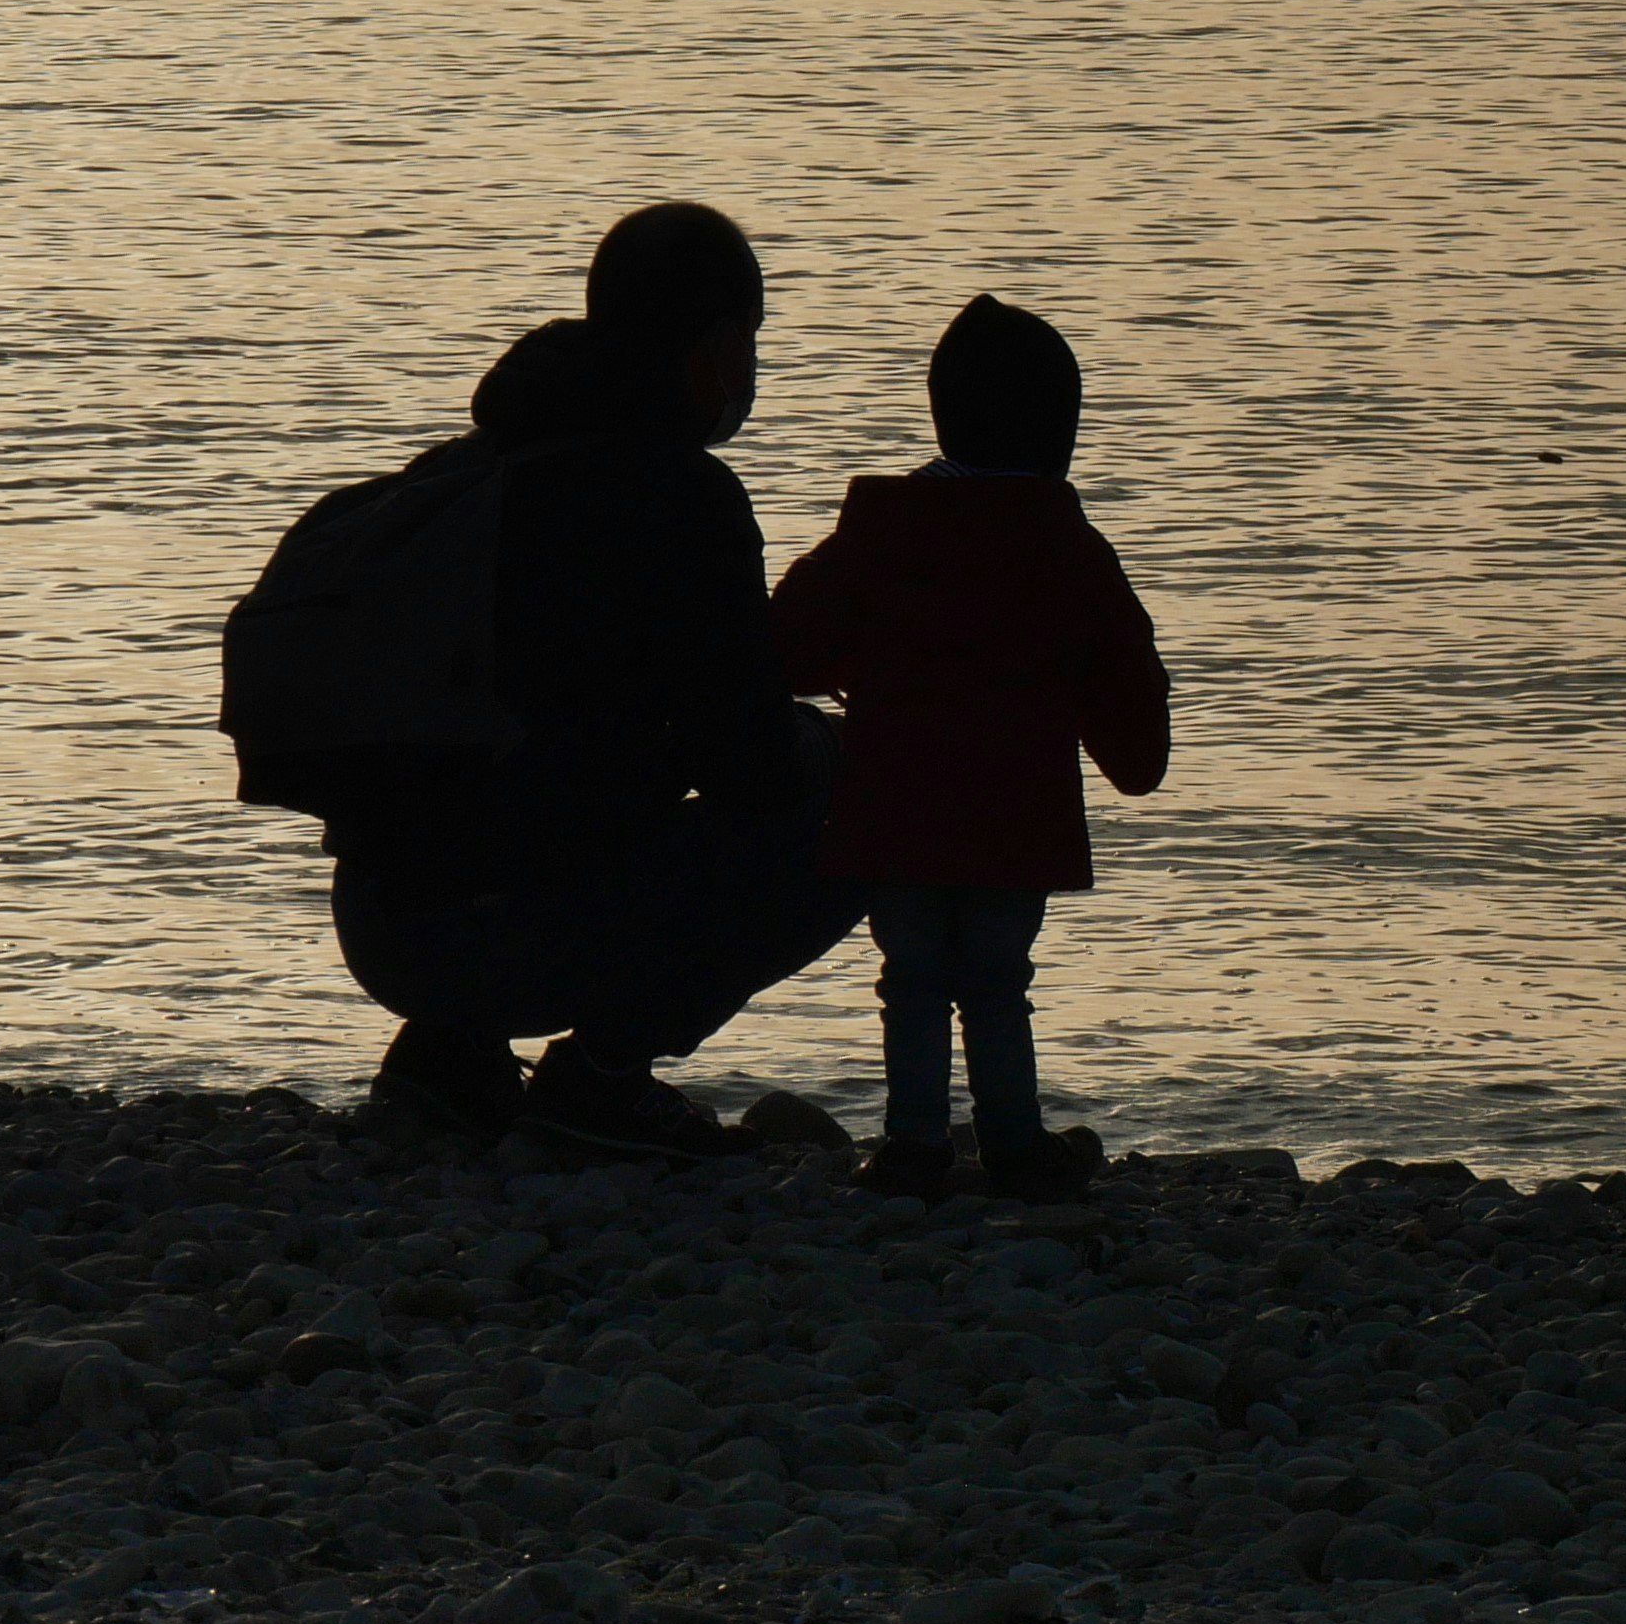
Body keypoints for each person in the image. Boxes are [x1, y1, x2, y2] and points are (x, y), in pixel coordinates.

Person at [316, 200, 859, 1156]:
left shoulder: (467, 470)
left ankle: (447, 1059)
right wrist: (828, 734)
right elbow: (751, 764)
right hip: (517, 939)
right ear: (718, 344)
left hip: (379, 924)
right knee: (862, 796)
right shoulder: (681, 497)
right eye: (750, 339)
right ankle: (601, 1075)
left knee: (545, 780)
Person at [768, 293, 1171, 1203]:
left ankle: (912, 1144)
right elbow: (1122, 676)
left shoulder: (880, 530)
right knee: (995, 982)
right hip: (1012, 824)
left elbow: (787, 640)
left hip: (895, 814)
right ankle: (1013, 1143)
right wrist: (1134, 751)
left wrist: (846, 672)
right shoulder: (1065, 548)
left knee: (909, 978)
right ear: (1059, 434)